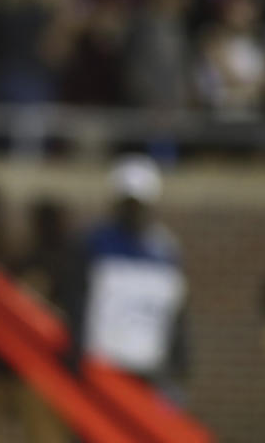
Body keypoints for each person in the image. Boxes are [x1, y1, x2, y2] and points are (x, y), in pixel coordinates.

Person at [62, 155, 188, 398]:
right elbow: (76, 302)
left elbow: (176, 310)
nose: (133, 211)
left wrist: (180, 359)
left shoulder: (166, 250)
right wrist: (76, 353)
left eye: (139, 203)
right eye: (128, 203)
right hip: (102, 365)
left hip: (149, 367)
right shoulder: (94, 244)